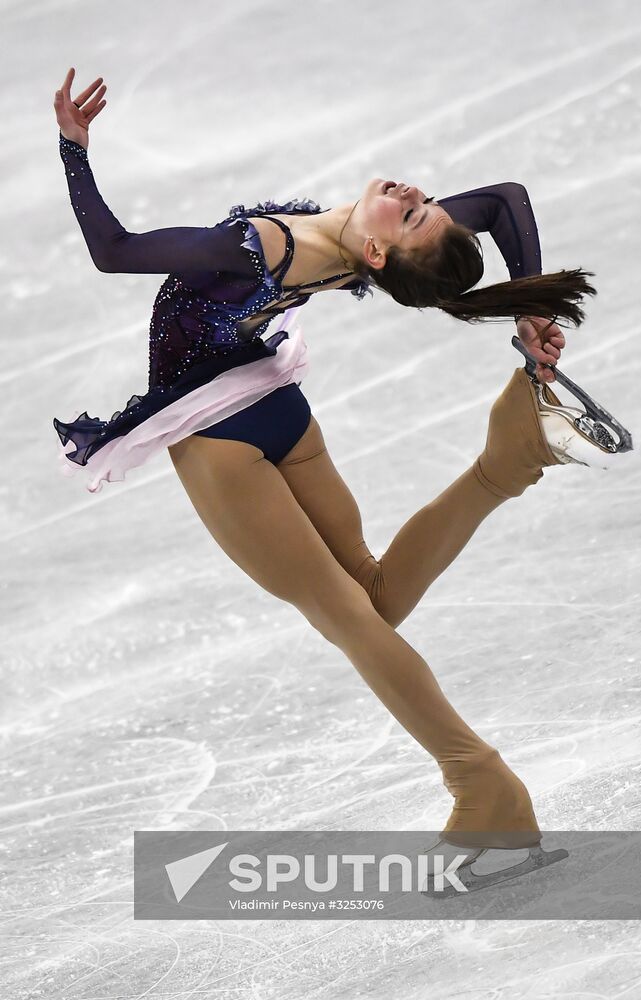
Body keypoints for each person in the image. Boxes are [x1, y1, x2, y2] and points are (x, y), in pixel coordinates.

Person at [53, 69, 601, 887]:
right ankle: (501, 467)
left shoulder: (262, 249)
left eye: (414, 213)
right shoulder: (361, 254)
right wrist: (527, 304)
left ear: (379, 253)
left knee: (348, 618)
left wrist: (72, 148)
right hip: (275, 405)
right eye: (425, 205)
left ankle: (482, 787)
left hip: (218, 437)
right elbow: (503, 200)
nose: (418, 192)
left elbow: (115, 252)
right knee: (369, 600)